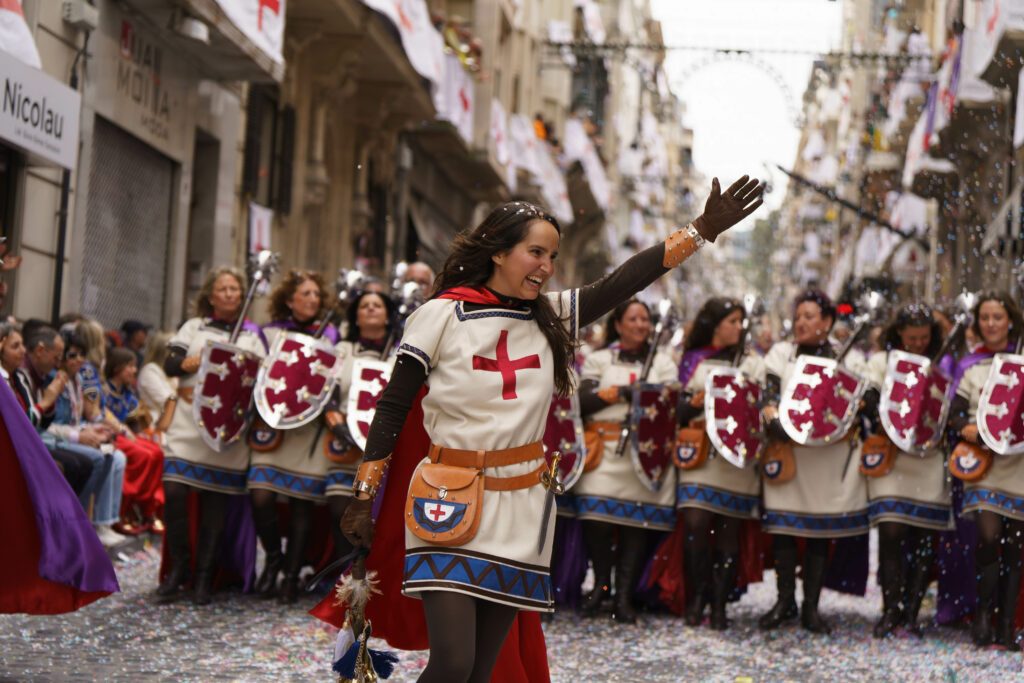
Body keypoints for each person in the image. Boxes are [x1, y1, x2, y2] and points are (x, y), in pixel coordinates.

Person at [340, 176, 763, 681]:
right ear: (499, 252)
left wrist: (700, 231)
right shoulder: (438, 315)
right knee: (453, 662)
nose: (546, 267)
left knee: (483, 669)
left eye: (552, 256)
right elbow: (392, 408)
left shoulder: (552, 317)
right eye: (535, 252)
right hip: (447, 496)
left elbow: (625, 281)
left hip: (524, 506)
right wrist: (363, 495)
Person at [759, 290, 869, 635]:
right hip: (789, 453)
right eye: (799, 315)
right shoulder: (781, 353)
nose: (801, 322)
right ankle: (784, 600)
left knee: (819, 533)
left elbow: (863, 398)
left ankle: (811, 607)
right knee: (783, 531)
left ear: (827, 322)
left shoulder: (849, 358)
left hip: (827, 455)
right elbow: (770, 394)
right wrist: (775, 421)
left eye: (810, 316)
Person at [158, 266, 268, 604]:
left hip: (227, 429)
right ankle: (180, 569)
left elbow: (261, 381)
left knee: (214, 503)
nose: (230, 293)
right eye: (223, 288)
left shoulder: (253, 336)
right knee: (174, 490)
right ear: (210, 296)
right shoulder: (194, 327)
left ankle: (204, 577)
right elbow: (171, 364)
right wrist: (208, 355)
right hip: (190, 422)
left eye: (235, 288)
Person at [572, 298, 678, 623]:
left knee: (636, 525)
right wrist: (621, 393)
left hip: (644, 453)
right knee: (596, 518)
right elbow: (581, 402)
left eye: (644, 320)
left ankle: (624, 596)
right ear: (618, 325)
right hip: (603, 452)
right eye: (633, 319)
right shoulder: (599, 359)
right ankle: (602, 583)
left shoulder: (663, 362)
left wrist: (650, 395)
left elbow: (673, 404)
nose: (640, 325)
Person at [247, 270, 340, 603]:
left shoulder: (330, 335)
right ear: (289, 300)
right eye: (305, 294)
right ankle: (273, 558)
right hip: (272, 426)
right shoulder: (269, 334)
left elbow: (333, 378)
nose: (313, 299)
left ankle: (289, 575)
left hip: (309, 429)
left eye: (316, 294)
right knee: (260, 495)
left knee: (302, 505)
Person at [675, 298, 765, 629]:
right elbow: (676, 409)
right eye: (732, 321)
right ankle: (698, 593)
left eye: (742, 322)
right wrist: (695, 402)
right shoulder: (692, 361)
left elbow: (759, 406)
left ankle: (719, 603)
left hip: (736, 460)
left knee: (729, 530)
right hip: (699, 455)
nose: (739, 327)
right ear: (715, 324)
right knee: (696, 523)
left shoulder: (753, 363)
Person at [862, 304, 952, 637]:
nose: (917, 343)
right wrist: (888, 417)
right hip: (892, 458)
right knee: (891, 533)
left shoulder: (942, 364)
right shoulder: (881, 362)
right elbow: (869, 399)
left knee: (923, 538)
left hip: (927, 458)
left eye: (924, 337)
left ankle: (911, 613)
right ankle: (890, 610)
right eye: (912, 337)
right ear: (899, 333)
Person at [948, 291, 1024, 649]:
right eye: (985, 317)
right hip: (986, 467)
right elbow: (955, 414)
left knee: (1015, 546)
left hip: (1020, 464)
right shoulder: (971, 367)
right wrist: (966, 427)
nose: (991, 324)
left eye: (998, 317)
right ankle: (983, 616)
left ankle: (1006, 626)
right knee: (988, 539)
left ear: (1010, 320)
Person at [325, 290, 397, 569]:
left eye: (376, 305)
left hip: (383, 448)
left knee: (376, 513)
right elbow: (327, 393)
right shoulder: (342, 350)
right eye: (364, 305)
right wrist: (338, 424)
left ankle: (369, 573)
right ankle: (344, 573)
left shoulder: (400, 351)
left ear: (388, 315)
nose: (370, 309)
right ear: (355, 315)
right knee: (337, 507)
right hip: (344, 443)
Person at [40, 329, 127, 548]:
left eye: (82, 355)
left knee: (115, 457)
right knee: (96, 458)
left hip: (70, 435)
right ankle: (76, 522)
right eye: (73, 355)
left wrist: (94, 429)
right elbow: (48, 424)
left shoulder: (76, 379)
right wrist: (80, 435)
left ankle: (101, 523)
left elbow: (78, 418)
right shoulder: (53, 379)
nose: (79, 360)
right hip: (54, 438)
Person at [2, 324, 92, 495]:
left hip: (30, 441)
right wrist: (45, 402)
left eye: (22, 345)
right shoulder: (12, 377)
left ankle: (69, 518)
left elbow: (38, 424)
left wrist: (49, 403)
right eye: (16, 346)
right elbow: (21, 426)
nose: (23, 350)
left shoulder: (19, 377)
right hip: (12, 445)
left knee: (87, 462)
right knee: (67, 465)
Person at [103, 346, 165, 533]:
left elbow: (140, 420)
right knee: (141, 455)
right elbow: (103, 416)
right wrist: (125, 431)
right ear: (116, 368)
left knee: (156, 452)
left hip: (125, 434)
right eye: (130, 366)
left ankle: (148, 510)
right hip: (109, 435)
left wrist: (150, 431)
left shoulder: (127, 392)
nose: (134, 370)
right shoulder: (105, 390)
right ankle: (124, 511)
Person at [136, 330, 179, 439]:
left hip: (174, 424)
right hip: (157, 428)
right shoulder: (150, 370)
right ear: (165, 352)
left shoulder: (170, 373)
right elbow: (167, 401)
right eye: (176, 350)